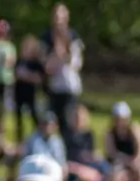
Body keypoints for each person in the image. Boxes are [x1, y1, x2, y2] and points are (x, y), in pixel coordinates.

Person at [40, 4, 82, 145]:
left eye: (61, 16)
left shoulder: (73, 37)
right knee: (51, 120)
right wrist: (56, 55)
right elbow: (47, 66)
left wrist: (63, 54)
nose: (58, 20)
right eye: (56, 16)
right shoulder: (47, 38)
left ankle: (69, 151)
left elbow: (76, 63)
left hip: (70, 87)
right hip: (54, 87)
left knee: (68, 122)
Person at [10, 36, 44, 142]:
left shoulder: (36, 63)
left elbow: (40, 78)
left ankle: (39, 138)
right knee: (18, 118)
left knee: (34, 116)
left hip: (31, 93)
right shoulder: (19, 61)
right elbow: (14, 74)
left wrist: (27, 76)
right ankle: (19, 139)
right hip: (18, 92)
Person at [103, 101, 140, 168]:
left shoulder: (135, 129)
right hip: (118, 163)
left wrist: (135, 162)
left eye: (123, 119)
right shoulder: (110, 133)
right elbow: (112, 154)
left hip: (135, 163)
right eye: (117, 119)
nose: (120, 122)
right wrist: (126, 161)